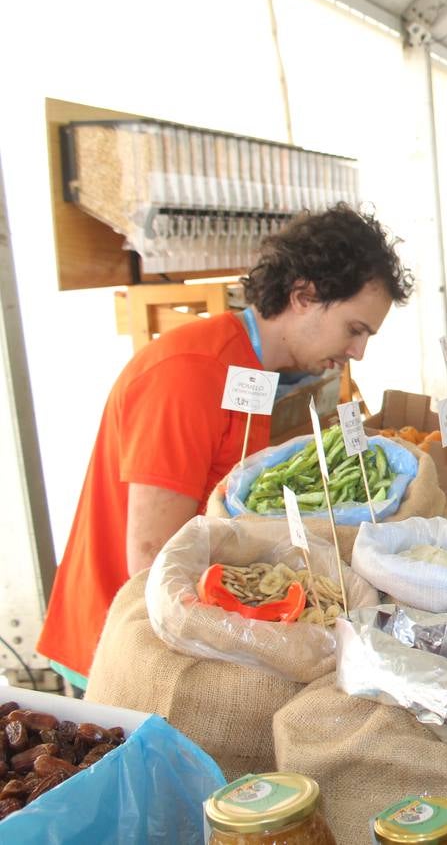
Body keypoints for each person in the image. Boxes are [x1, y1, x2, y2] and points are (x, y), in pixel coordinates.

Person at [37, 205, 413, 691]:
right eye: (355, 329)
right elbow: (152, 557)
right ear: (304, 296)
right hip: (121, 639)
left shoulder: (255, 368)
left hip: (185, 616)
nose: (358, 352)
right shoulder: (190, 372)